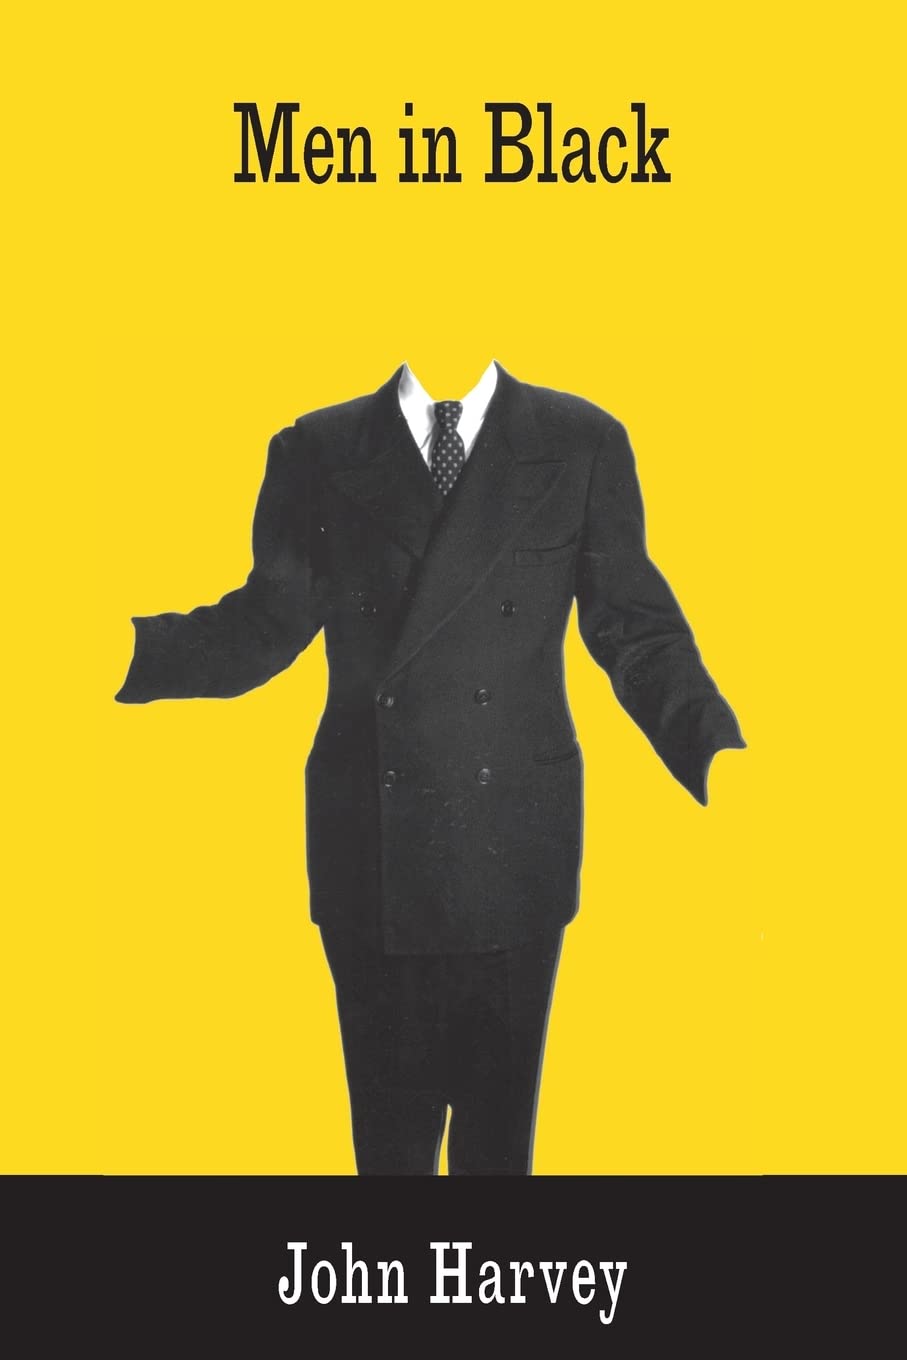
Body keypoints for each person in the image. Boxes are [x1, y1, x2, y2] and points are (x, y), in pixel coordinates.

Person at [115, 359, 745, 1174]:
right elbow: (260, 629)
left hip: (511, 846)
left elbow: (636, 631)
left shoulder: (580, 440)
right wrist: (117, 652)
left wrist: (714, 751)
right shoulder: (318, 446)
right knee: (389, 1153)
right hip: (372, 848)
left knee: (498, 1154)